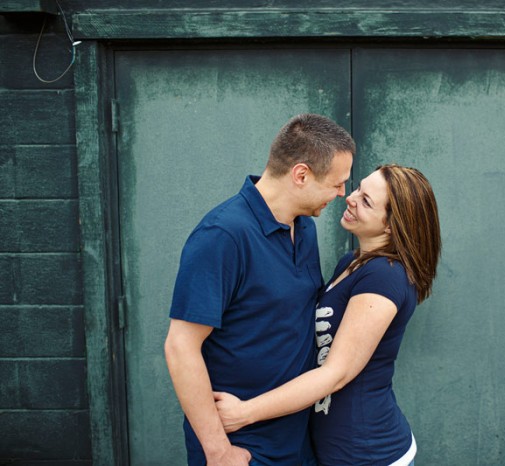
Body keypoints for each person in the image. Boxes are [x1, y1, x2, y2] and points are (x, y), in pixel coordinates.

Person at [214, 164, 442, 466]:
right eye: (359, 188)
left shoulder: (384, 277)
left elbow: (336, 374)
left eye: (366, 201)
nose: (351, 198)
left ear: (390, 225)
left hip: (370, 455)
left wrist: (245, 412)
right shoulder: (353, 262)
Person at [164, 113, 355, 466]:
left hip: (298, 441)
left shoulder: (304, 228)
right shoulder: (222, 235)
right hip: (242, 447)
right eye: (337, 183)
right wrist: (219, 452)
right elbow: (180, 346)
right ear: (301, 175)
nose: (343, 193)